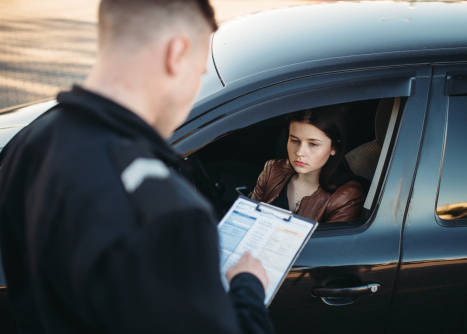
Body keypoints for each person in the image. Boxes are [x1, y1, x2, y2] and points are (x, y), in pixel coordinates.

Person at [0, 1, 274, 333]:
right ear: (177, 53)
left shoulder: (28, 143)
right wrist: (247, 287)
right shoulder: (171, 216)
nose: (192, 93)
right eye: (199, 74)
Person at [250, 107, 365, 224]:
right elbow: (247, 219)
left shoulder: (346, 197)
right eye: (295, 141)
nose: (300, 152)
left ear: (334, 148)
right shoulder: (273, 170)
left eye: (313, 144)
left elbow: (328, 242)